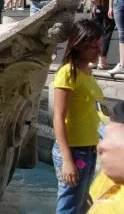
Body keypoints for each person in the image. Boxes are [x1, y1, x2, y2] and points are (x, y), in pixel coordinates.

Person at [51, 19, 104, 213]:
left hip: (88, 149)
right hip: (73, 151)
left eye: (99, 45)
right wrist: (67, 160)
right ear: (79, 45)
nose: (98, 51)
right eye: (93, 46)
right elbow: (58, 117)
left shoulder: (87, 71)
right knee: (69, 207)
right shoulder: (68, 73)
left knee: (81, 205)